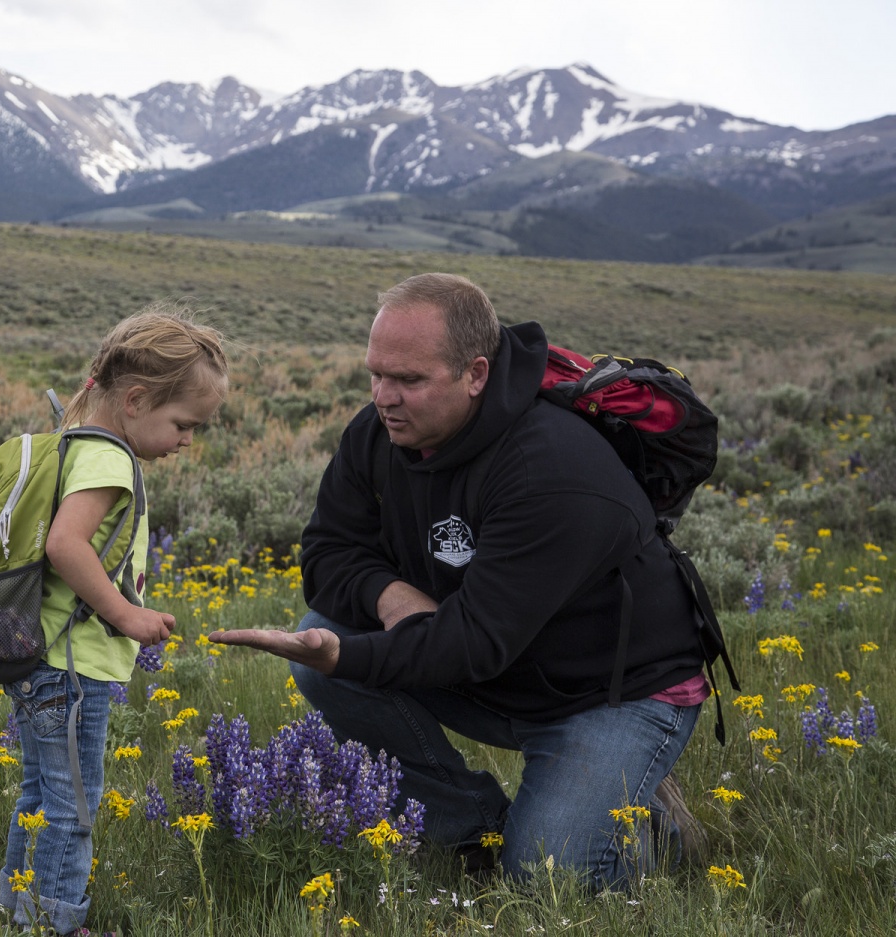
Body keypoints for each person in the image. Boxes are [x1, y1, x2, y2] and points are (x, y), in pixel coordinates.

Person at [211, 273, 711, 889]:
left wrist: (353, 655)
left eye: (410, 380)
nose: (384, 397)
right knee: (320, 648)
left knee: (547, 879)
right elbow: (326, 554)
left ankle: (647, 825)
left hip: (611, 693)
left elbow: (476, 640)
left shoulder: (549, 467)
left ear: (475, 374)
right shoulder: (379, 432)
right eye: (377, 374)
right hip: (495, 669)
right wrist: (391, 597)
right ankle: (472, 830)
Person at [0, 305, 228, 934]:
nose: (187, 440)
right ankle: (56, 924)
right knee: (72, 804)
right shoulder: (108, 460)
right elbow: (66, 545)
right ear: (134, 400)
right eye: (183, 424)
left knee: (41, 797)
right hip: (75, 666)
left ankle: (17, 911)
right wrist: (126, 614)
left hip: (42, 658)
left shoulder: (80, 444)